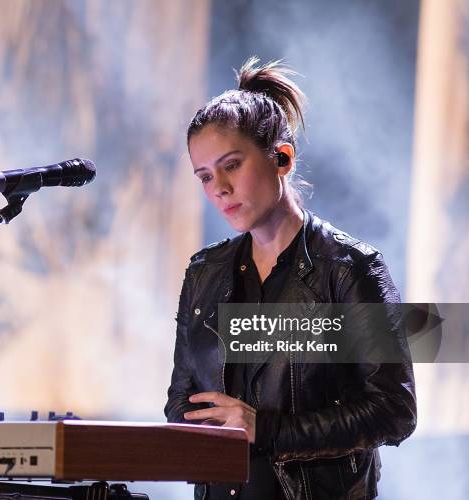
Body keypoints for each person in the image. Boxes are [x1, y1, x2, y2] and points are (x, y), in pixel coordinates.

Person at [164, 58, 417, 500]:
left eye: (232, 165)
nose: (218, 187)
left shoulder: (350, 268)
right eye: (204, 176)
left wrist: (269, 430)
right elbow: (181, 401)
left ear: (281, 158)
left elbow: (394, 410)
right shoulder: (204, 273)